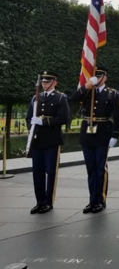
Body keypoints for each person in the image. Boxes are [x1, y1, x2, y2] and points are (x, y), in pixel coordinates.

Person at [70, 67, 119, 214]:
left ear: (104, 78)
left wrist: (115, 135)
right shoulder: (87, 91)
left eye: (99, 76)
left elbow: (117, 116)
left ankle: (100, 200)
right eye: (94, 76)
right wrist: (86, 86)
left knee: (100, 169)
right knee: (90, 169)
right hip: (87, 133)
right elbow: (73, 98)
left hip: (103, 132)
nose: (96, 79)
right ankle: (92, 200)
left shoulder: (112, 93)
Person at [26, 71, 70, 214]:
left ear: (54, 82)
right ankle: (39, 201)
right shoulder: (35, 98)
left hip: (52, 139)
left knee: (50, 171)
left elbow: (64, 118)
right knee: (37, 172)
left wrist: (43, 122)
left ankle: (48, 202)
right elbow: (28, 117)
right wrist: (32, 127)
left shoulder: (60, 98)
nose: (44, 84)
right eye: (43, 82)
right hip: (38, 140)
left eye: (47, 82)